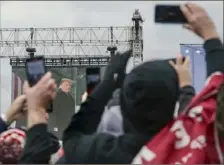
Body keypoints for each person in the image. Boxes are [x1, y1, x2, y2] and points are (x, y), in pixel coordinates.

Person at [18, 2, 223, 164]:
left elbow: (74, 135)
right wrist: (210, 35)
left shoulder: (98, 154)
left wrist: (107, 82)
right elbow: (215, 98)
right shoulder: (196, 149)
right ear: (175, 102)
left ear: (124, 105)